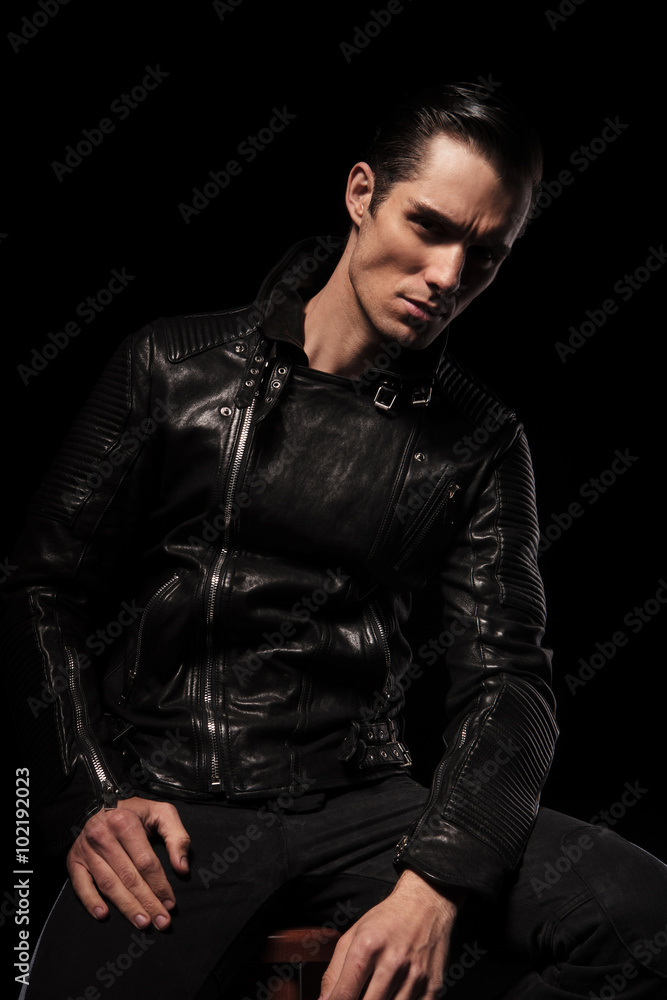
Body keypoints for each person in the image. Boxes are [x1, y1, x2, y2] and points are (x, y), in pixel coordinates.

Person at [3, 83, 667, 1000]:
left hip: (366, 805)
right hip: (175, 805)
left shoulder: (478, 439)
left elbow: (508, 679)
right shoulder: (171, 365)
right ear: (361, 194)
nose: (446, 275)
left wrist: (437, 876)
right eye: (428, 226)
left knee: (641, 913)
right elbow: (42, 591)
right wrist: (94, 792)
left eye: (484, 254)